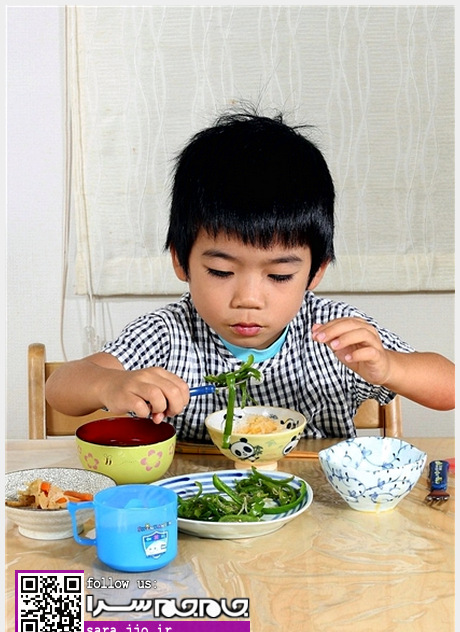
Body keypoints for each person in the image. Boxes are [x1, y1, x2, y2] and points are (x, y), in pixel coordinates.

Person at [45, 109, 455, 441]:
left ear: (315, 272)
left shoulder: (334, 334)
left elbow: (449, 386)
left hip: (318, 510)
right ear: (181, 261)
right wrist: (110, 386)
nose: (248, 298)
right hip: (197, 505)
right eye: (221, 271)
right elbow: (60, 387)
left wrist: (389, 367)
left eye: (279, 276)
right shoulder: (168, 334)